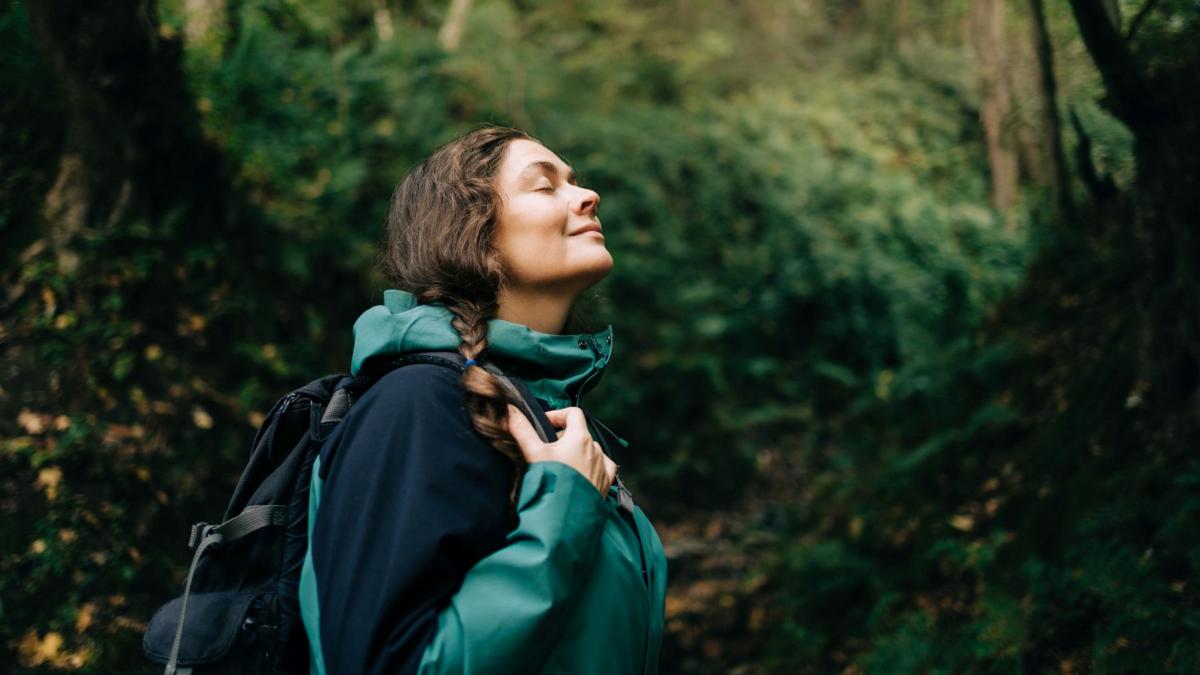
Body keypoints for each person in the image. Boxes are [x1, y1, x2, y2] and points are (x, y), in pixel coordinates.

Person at [298, 125, 668, 674]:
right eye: (545, 187)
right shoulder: (417, 405)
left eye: (575, 181)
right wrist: (563, 510)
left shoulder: (537, 413)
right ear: (471, 232)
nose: (587, 196)